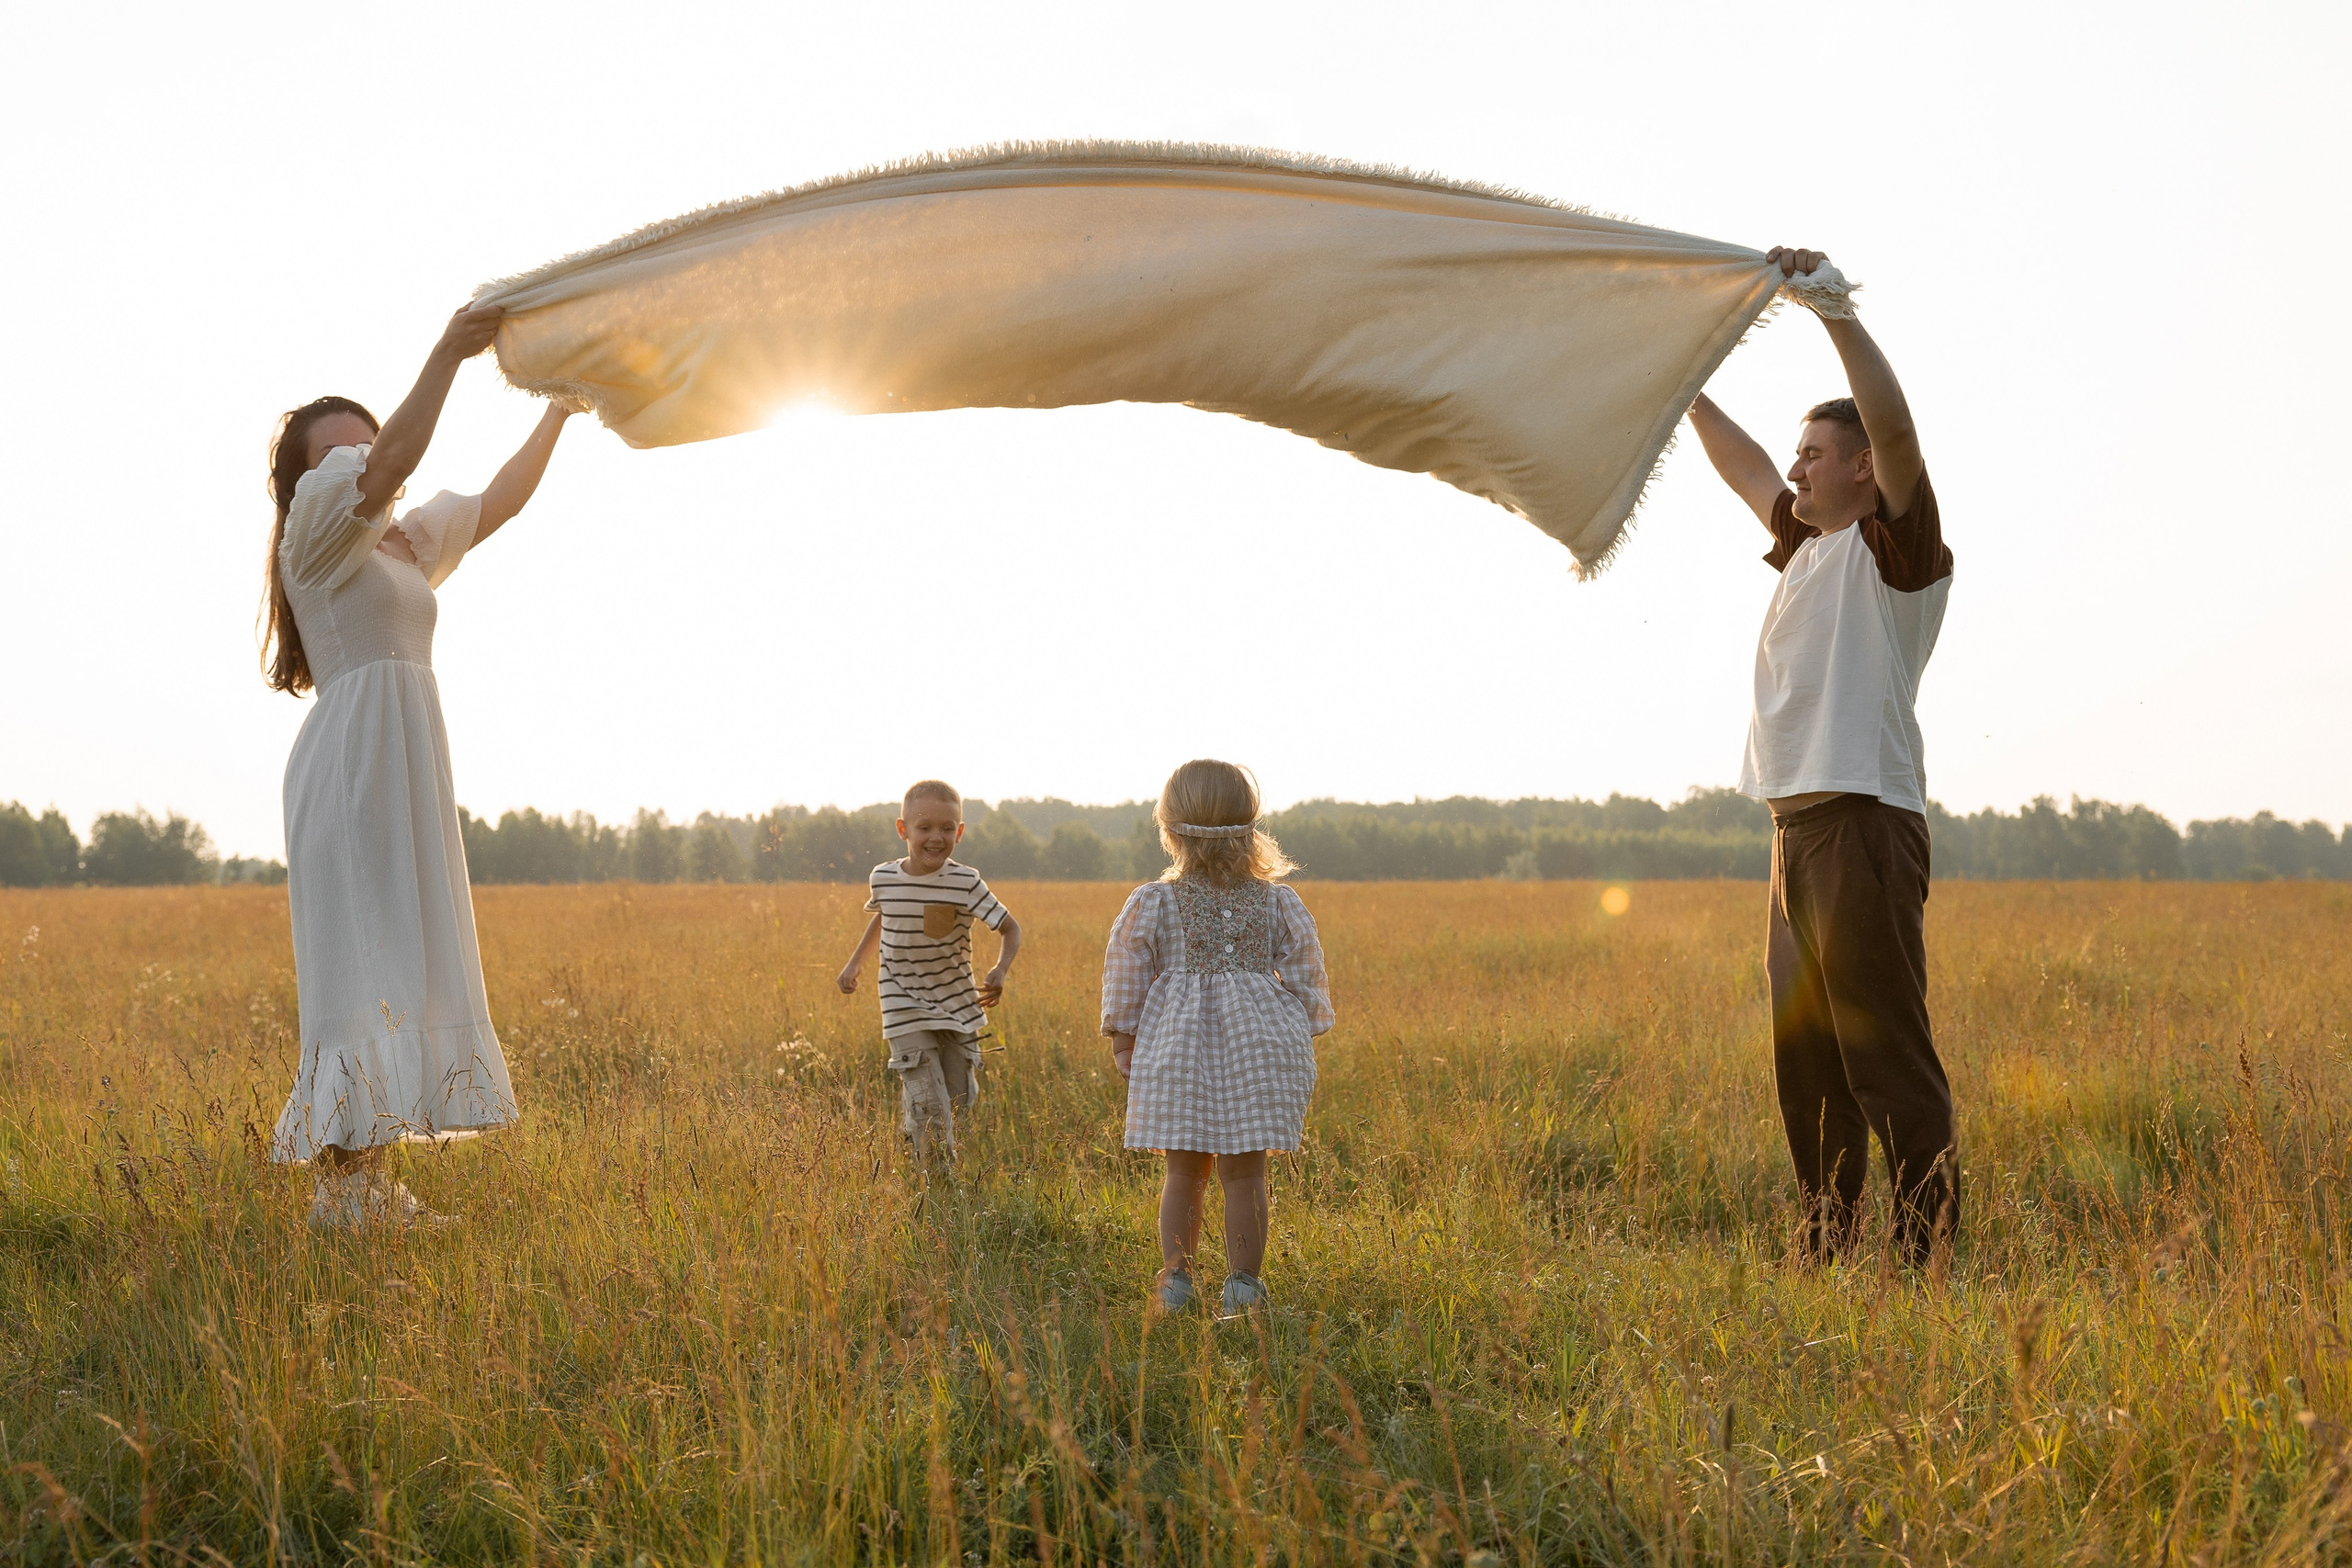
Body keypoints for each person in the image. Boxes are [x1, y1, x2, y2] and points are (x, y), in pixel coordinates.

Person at [261, 302, 575, 1225]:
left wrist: (562, 406)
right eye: (338, 452)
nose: (360, 458)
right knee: (364, 964)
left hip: (403, 767)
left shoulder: (403, 544)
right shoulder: (315, 539)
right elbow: (395, 459)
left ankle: (362, 1186)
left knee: (399, 960)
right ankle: (345, 1190)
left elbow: (502, 497)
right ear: (305, 482)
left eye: (365, 443)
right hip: (352, 767)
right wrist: (448, 351)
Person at [1686, 246, 1958, 1268]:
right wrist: (1683, 383)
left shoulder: (1896, 552)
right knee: (1807, 1062)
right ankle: (1825, 1249)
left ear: (1862, 471)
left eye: (1815, 454)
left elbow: (1898, 431)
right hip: (1792, 834)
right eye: (1797, 453)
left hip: (1862, 829)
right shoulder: (1805, 547)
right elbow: (1743, 465)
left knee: (1883, 1056)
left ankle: (1925, 1259)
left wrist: (1832, 311)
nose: (1796, 469)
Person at [1102, 760, 1335, 1318]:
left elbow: (1126, 969)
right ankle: (1243, 1286)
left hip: (1177, 1047)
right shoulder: (1276, 900)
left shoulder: (1154, 901)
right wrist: (1302, 1026)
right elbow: (1306, 967)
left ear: (1171, 828)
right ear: (1250, 825)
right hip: (1260, 1047)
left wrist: (1123, 1036)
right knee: (1246, 1172)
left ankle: (1177, 1281)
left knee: (1184, 1170)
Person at [837, 781, 1023, 1166]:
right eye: (924, 827)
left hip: (957, 1006)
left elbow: (1011, 928)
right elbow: (885, 917)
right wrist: (855, 963)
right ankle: (940, 1186)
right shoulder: (883, 878)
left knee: (956, 1101)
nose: (936, 837)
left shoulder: (965, 882)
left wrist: (1000, 969)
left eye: (946, 828)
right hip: (902, 1004)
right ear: (903, 829)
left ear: (960, 831)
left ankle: (914, 1129)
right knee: (931, 1109)